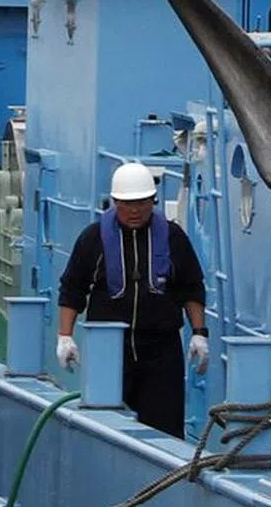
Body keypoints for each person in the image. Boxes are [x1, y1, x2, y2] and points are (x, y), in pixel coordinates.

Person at [57, 162, 209, 438]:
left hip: (161, 350)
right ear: (115, 202)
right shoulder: (94, 239)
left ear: (153, 200)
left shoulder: (174, 238)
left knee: (165, 429)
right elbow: (72, 288)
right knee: (104, 425)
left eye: (142, 203)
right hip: (110, 350)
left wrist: (199, 334)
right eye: (127, 204)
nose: (135, 210)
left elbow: (192, 288)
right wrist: (65, 336)